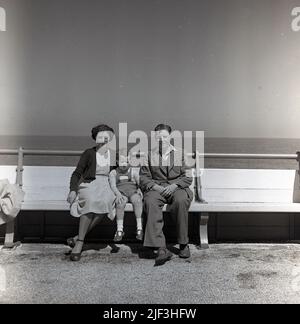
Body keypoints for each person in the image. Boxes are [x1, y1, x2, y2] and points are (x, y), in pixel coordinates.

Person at [140, 124, 193, 266]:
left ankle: (183, 244)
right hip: (157, 188)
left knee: (181, 201)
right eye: (158, 137)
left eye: (164, 136)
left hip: (177, 187)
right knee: (150, 201)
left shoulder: (180, 153)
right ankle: (161, 248)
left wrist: (175, 185)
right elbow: (144, 177)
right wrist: (155, 187)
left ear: (170, 137)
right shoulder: (149, 155)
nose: (161, 139)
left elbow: (188, 177)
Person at [66, 124, 117, 261]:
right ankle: (80, 242)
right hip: (90, 184)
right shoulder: (89, 153)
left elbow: (121, 171)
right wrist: (72, 190)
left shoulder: (113, 155)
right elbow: (77, 173)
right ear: (96, 138)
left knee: (106, 202)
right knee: (90, 201)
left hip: (107, 185)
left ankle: (78, 238)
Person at [109, 153, 144, 242]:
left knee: (137, 200)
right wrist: (118, 194)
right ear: (117, 162)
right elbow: (113, 186)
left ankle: (139, 228)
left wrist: (140, 189)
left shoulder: (133, 171)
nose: (124, 164)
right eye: (122, 161)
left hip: (133, 192)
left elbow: (140, 183)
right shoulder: (114, 172)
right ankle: (119, 229)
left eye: (127, 161)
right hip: (122, 193)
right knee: (120, 203)